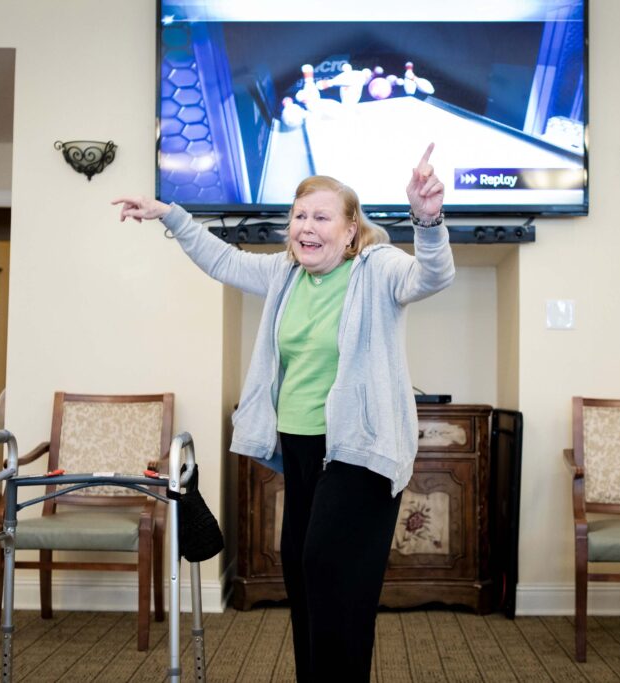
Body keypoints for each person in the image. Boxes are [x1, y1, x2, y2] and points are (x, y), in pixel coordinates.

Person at [113, 143, 454, 682]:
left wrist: (428, 219)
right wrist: (172, 216)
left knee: (325, 566)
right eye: (298, 216)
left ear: (349, 230)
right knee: (304, 575)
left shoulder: (377, 268)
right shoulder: (285, 276)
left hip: (359, 450)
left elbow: (431, 277)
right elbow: (222, 259)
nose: (306, 226)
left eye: (322, 217)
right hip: (299, 446)